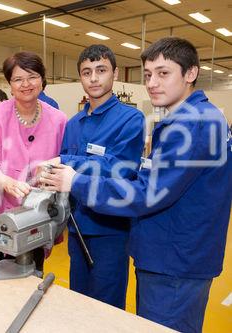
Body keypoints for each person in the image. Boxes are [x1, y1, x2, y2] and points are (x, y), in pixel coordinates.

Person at [39, 37, 231, 332]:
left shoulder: (191, 125)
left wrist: (75, 180)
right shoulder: (193, 118)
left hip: (173, 261)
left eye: (164, 73)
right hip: (171, 253)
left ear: (190, 73)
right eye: (148, 75)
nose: (153, 83)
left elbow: (145, 193)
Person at [41, 45, 145, 309]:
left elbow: (118, 167)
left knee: (106, 307)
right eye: (87, 72)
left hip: (110, 230)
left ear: (115, 73)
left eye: (101, 70)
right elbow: (65, 175)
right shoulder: (73, 123)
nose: (94, 78)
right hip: (77, 228)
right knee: (79, 303)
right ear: (80, 77)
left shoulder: (130, 119)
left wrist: (66, 162)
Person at [0, 51, 67, 270]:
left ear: (42, 80)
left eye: (32, 76)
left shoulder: (59, 120)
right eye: (17, 79)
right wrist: (5, 182)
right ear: (10, 84)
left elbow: (65, 163)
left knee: (34, 274)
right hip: (1, 215)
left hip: (40, 215)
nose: (26, 84)